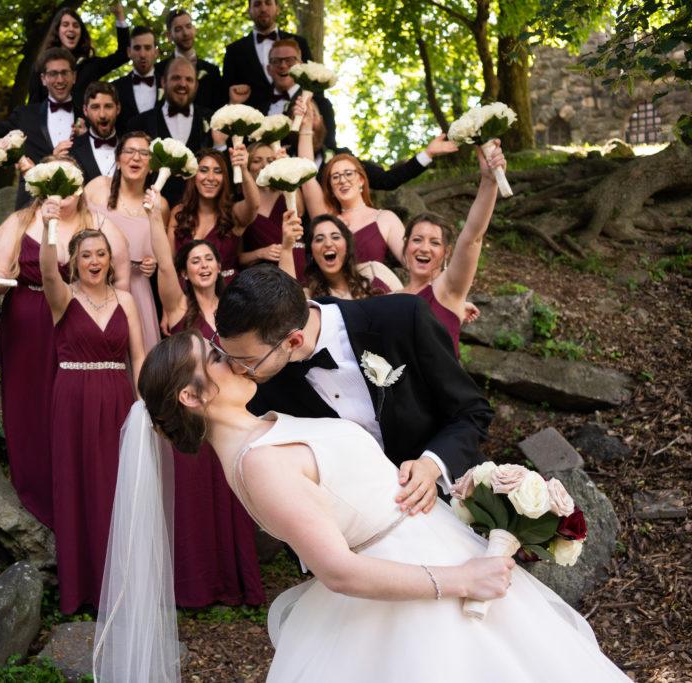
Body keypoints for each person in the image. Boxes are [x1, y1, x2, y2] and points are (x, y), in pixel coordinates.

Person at [92, 329, 633, 682]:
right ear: (192, 396)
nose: (227, 355)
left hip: (431, 539)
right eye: (212, 357)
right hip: (413, 588)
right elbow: (338, 571)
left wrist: (426, 475)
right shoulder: (259, 463)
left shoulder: (265, 425)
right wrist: (462, 580)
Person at [214, 266, 493, 514]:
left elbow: (472, 412)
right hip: (370, 536)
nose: (238, 370)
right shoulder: (261, 383)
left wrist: (432, 464)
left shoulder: (403, 318)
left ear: (294, 340)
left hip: (459, 503)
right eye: (228, 355)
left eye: (248, 361)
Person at [0, 155, 126, 529]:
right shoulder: (19, 222)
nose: (63, 192)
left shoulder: (99, 223)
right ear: (38, 185)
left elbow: (121, 279)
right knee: (31, 402)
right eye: (53, 183)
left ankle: (83, 491)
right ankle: (38, 492)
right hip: (27, 325)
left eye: (70, 183)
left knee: (77, 402)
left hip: (80, 322)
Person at [141, 187, 264, 607]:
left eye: (209, 258)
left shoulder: (234, 312)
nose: (203, 265)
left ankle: (239, 584)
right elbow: (162, 259)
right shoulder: (177, 306)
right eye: (194, 261)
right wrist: (156, 220)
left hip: (228, 420)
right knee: (194, 502)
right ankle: (197, 587)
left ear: (219, 266)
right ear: (185, 272)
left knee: (233, 495)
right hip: (194, 423)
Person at [37, 196, 146, 614]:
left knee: (116, 489)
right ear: (75, 262)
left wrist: (143, 405)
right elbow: (47, 271)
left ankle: (120, 588)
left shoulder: (126, 301)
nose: (95, 261)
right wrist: (49, 228)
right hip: (73, 399)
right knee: (79, 487)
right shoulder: (63, 298)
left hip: (118, 397)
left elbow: (138, 356)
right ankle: (83, 590)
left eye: (101, 254)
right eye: (86, 255)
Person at [399, 143, 504, 356]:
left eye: (435, 243)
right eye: (417, 239)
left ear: (446, 253)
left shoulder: (448, 290)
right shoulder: (390, 297)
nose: (425, 248)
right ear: (406, 245)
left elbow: (471, 239)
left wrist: (489, 181)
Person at [0, 49, 80, 209]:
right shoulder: (25, 115)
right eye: (53, 74)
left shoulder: (88, 116)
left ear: (74, 77)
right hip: (31, 207)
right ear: (43, 79)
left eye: (64, 73)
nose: (59, 79)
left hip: (77, 209)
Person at [288, 90, 459, 192]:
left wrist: (427, 154)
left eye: (311, 115)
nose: (307, 121)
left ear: (321, 119)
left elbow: (387, 180)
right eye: (301, 116)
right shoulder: (283, 159)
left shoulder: (342, 158)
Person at [85, 132, 161, 354]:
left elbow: (163, 252)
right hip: (95, 285)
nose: (135, 158)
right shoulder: (98, 187)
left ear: (152, 165)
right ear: (118, 160)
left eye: (143, 153)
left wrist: (153, 263)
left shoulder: (159, 204)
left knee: (137, 355)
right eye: (129, 151)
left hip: (138, 292)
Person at [299, 137, 409, 266]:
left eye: (349, 173)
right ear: (330, 187)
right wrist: (305, 126)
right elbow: (307, 174)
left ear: (361, 180)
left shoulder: (385, 218)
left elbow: (411, 261)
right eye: (335, 177)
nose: (343, 180)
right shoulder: (327, 219)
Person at [125, 58, 215, 205]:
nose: (182, 84)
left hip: (199, 211)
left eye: (189, 79)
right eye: (176, 78)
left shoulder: (212, 120)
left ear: (196, 85)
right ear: (163, 82)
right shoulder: (139, 123)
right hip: (149, 209)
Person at [168, 148, 259, 286]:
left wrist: (243, 169)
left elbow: (254, 206)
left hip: (226, 295)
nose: (210, 177)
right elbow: (170, 263)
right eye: (203, 170)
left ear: (224, 179)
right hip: (185, 295)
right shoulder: (179, 212)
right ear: (194, 175)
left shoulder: (233, 213)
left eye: (218, 172)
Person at [28, 6, 130, 105]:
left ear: (81, 32)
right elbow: (33, 106)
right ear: (57, 30)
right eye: (65, 24)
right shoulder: (40, 65)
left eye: (76, 25)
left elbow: (124, 54)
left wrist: (119, 14)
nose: (71, 29)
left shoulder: (91, 64)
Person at [223, 0, 312, 111]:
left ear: (278, 9)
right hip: (251, 122)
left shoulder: (300, 43)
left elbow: (312, 83)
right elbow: (226, 94)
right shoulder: (234, 51)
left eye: (268, 3)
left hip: (297, 116)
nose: (263, 9)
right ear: (249, 12)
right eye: (257, 4)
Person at [240, 141, 308, 280]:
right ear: (247, 165)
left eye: (270, 160)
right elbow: (237, 258)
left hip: (297, 262)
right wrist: (260, 253)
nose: (264, 165)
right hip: (265, 277)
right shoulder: (243, 207)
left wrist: (286, 168)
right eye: (257, 161)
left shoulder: (286, 195)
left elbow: (299, 211)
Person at [295, 214, 401, 299]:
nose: (328, 244)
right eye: (319, 239)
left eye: (335, 237)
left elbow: (408, 305)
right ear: (311, 252)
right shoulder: (309, 296)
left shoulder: (374, 270)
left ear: (347, 246)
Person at [155, 8, 223, 112]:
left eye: (188, 26)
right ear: (169, 36)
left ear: (194, 29)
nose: (185, 33)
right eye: (178, 29)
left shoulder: (212, 71)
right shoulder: (158, 70)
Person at [70, 82, 123, 182]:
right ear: (85, 110)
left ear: (118, 108)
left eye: (108, 106)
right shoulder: (71, 150)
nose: (102, 115)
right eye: (95, 107)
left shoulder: (130, 147)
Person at [111, 26, 161, 128]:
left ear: (156, 52)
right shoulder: (115, 88)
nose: (142, 54)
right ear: (129, 52)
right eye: (137, 48)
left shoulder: (168, 87)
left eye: (147, 48)